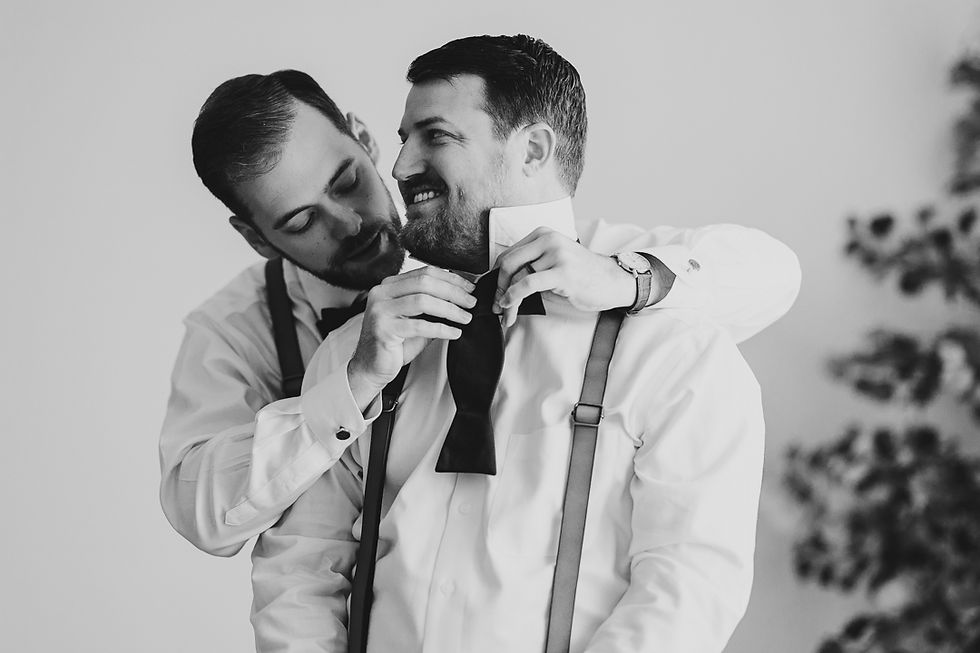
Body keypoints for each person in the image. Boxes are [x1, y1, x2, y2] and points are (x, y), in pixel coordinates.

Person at [248, 35, 783, 653]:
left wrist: (625, 279)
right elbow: (299, 571)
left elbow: (686, 595)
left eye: (436, 135)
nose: (398, 168)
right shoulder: (361, 352)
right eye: (402, 139)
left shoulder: (675, 353)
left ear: (532, 148)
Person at [159, 65, 800, 559]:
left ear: (363, 138)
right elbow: (205, 514)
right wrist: (349, 383)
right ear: (256, 237)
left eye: (347, 179)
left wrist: (624, 276)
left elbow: (771, 275)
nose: (349, 222)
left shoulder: (502, 239)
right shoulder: (237, 328)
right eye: (301, 221)